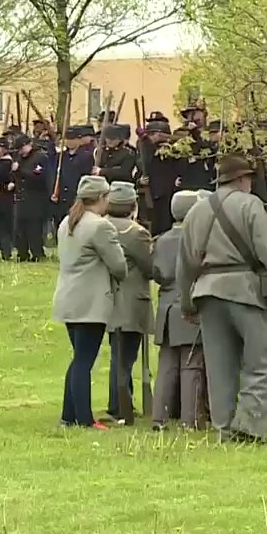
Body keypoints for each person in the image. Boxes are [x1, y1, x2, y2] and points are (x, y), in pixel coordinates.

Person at [178, 154, 267, 443]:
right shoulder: (250, 205)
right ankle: (247, 426)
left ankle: (224, 430)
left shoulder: (196, 212)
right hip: (245, 290)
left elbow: (184, 262)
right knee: (266, 360)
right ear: (243, 179)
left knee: (220, 367)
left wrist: (186, 301)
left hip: (206, 291)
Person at [52, 175, 126, 429]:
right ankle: (84, 418)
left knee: (78, 358)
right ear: (103, 198)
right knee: (84, 361)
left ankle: (68, 415)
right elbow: (119, 265)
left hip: (68, 297)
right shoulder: (100, 226)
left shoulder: (67, 221)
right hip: (90, 301)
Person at [151, 191, 206, 430]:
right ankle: (189, 419)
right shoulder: (196, 239)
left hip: (165, 307)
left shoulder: (160, 240)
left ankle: (159, 418)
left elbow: (155, 272)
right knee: (191, 365)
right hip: (189, 304)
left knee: (166, 366)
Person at [103, 181, 153, 424]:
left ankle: (122, 401)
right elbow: (150, 267)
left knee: (119, 354)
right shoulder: (135, 232)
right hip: (131, 301)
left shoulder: (101, 226)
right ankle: (119, 405)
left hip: (109, 300)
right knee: (124, 358)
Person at [13, 135, 50, 261]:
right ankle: (22, 253)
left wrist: (20, 171)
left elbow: (38, 176)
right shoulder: (19, 158)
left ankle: (37, 253)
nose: (20, 151)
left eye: (22, 148)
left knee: (34, 228)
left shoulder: (40, 157)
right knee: (20, 228)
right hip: (21, 197)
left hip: (36, 197)